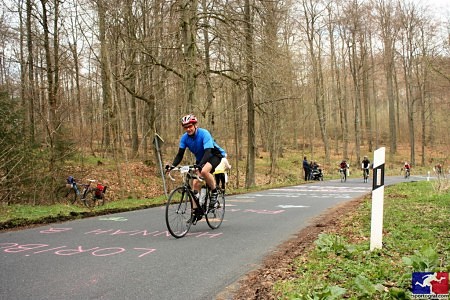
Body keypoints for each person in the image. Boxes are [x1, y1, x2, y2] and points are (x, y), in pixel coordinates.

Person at [165, 114, 226, 220]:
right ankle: (195, 212)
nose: (188, 129)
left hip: (213, 155)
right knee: (195, 184)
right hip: (201, 158)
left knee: (204, 172)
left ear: (195, 125)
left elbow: (208, 151)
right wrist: (172, 166)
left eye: (190, 126)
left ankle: (214, 192)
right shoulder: (184, 138)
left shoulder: (204, 133)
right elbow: (180, 154)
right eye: (186, 127)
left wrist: (199, 165)